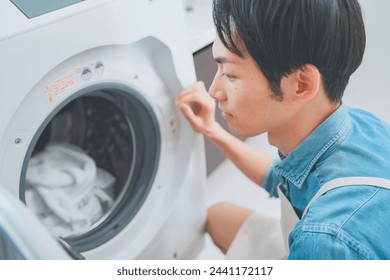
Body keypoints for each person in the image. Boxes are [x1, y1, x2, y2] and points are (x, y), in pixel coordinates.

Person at [176, 0, 390, 259]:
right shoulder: (357, 123)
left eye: (230, 75)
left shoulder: (323, 242)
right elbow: (279, 180)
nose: (213, 91)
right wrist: (212, 130)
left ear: (301, 85)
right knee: (216, 215)